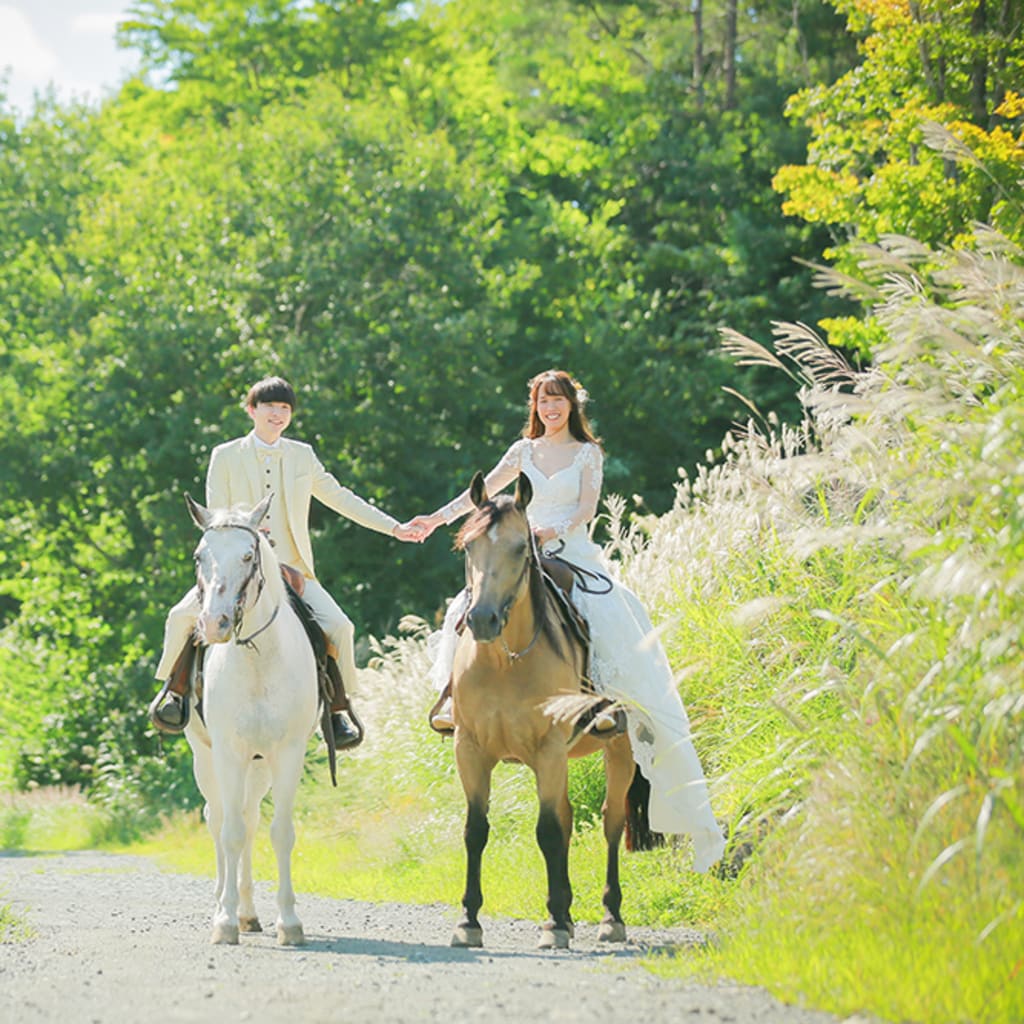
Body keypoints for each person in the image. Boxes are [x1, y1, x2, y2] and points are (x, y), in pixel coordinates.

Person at [412, 369, 725, 872]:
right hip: (518, 551)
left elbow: (586, 508)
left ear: (571, 406)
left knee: (601, 610)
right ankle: (455, 701)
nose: (550, 409)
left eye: (557, 401)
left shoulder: (587, 453)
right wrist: (435, 520)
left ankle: (604, 700)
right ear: (533, 407)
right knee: (460, 610)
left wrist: (549, 529)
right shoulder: (521, 452)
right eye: (542, 401)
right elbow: (483, 497)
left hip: (568, 551)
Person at [149, 375, 424, 749]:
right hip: (237, 569)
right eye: (270, 407)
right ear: (252, 410)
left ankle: (338, 711)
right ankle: (174, 692)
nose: (278, 415)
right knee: (180, 617)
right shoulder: (225, 455)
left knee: (340, 626)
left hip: (292, 569)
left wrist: (394, 528)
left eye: (285, 409)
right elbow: (216, 517)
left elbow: (340, 497)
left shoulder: (302, 455)